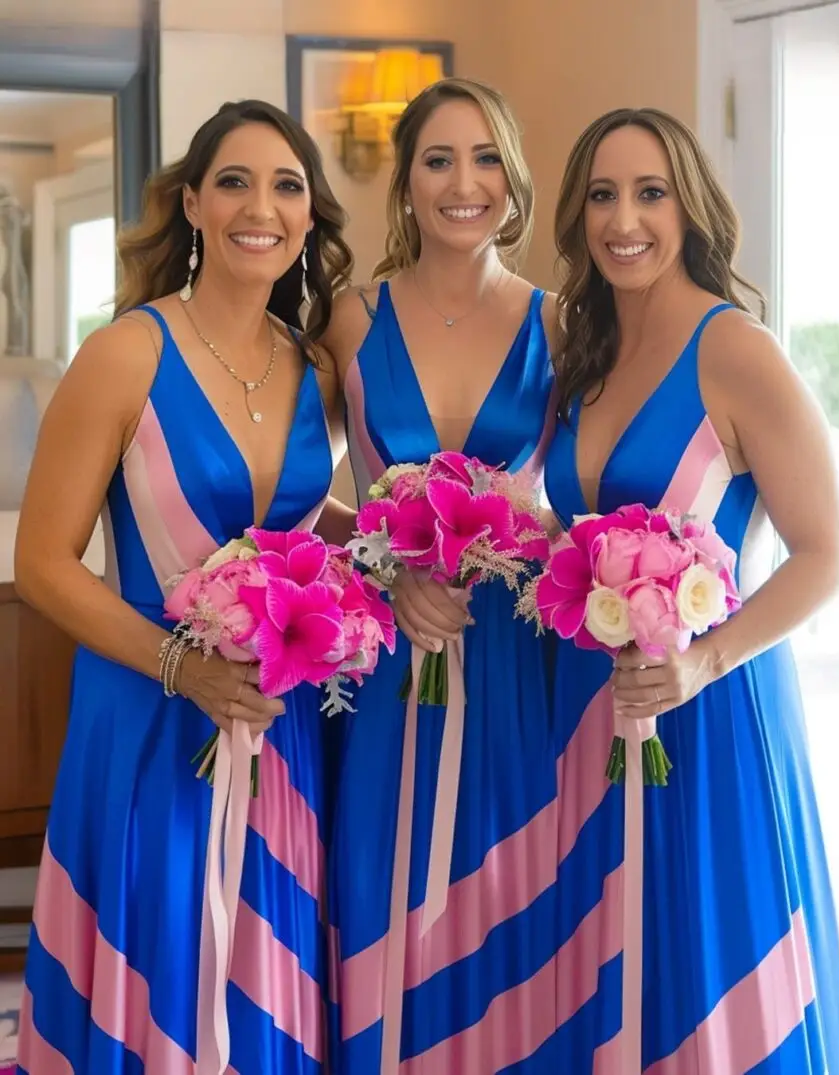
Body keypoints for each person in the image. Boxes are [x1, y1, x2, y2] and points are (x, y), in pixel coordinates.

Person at [14, 99, 352, 1075]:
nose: (261, 207)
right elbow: (42, 562)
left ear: (309, 216)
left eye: (286, 186)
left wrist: (408, 545)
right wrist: (183, 666)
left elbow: (301, 513)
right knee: (161, 957)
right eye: (234, 182)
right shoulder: (127, 352)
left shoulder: (314, 367)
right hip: (150, 713)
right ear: (194, 204)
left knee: (260, 967)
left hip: (277, 720)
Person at [546, 106, 839, 1072]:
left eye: (651, 193)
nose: (623, 220)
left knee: (709, 977)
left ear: (690, 208)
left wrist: (702, 662)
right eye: (602, 195)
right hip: (597, 716)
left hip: (712, 712)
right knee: (616, 981)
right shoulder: (585, 353)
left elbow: (826, 552)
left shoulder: (737, 351)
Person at [320, 78, 561, 1073]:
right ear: (407, 185)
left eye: (485, 158)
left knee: (512, 900)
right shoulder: (349, 319)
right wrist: (384, 568)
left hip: (517, 664)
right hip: (387, 663)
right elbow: (299, 492)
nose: (464, 183)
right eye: (438, 160)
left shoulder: (562, 322)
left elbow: (580, 499)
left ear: (514, 179)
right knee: (381, 889)